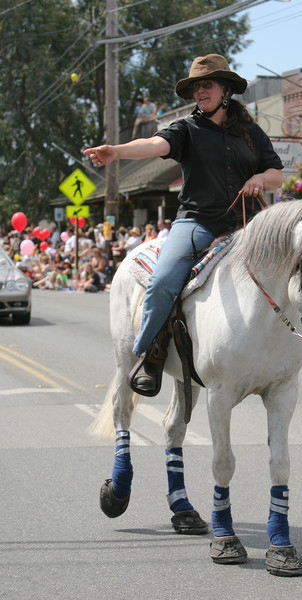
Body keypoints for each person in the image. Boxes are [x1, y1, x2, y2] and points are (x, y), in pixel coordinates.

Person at [84, 53, 283, 394]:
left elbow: (277, 174)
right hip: (198, 224)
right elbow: (153, 144)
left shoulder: (251, 133)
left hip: (246, 226)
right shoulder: (187, 129)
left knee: (292, 270)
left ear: (225, 90)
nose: (200, 91)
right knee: (163, 281)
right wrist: (116, 151)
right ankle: (148, 356)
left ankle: (297, 345)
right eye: (195, 87)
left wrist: (260, 179)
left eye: (207, 84)